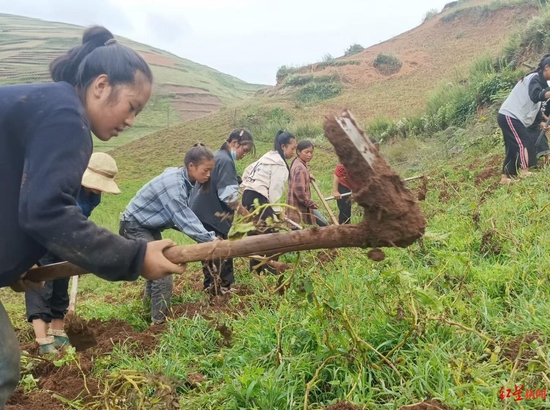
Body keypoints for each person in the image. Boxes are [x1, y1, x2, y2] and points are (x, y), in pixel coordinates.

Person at [0, 26, 184, 407]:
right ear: (101, 85)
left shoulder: (49, 106)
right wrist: (135, 256)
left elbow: (17, 195)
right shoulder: (67, 116)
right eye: (132, 106)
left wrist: (11, 263)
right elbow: (45, 211)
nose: (132, 120)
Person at [25, 152, 121, 355]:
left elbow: (81, 221)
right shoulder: (65, 185)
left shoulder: (94, 196)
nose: (97, 188)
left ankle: (58, 332)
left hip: (67, 242)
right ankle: (43, 342)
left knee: (61, 285)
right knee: (42, 287)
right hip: (42, 239)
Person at [120, 144, 218, 324]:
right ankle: (158, 323)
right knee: (162, 271)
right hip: (134, 226)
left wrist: (206, 237)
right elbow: (183, 218)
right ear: (191, 166)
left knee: (154, 270)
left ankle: (147, 314)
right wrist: (210, 239)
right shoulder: (173, 184)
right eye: (206, 170)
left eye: (211, 170)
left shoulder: (184, 180)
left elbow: (179, 218)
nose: (208, 175)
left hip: (147, 228)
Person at [190, 130, 254, 294]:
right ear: (233, 143)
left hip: (201, 211)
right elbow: (228, 196)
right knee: (221, 251)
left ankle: (211, 286)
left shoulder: (218, 155)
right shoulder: (225, 160)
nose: (244, 155)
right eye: (244, 150)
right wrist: (245, 213)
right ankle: (221, 289)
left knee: (210, 252)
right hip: (211, 214)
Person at [241, 130, 297, 272]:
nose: (294, 152)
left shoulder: (267, 156)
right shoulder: (279, 163)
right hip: (259, 197)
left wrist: (248, 185)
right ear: (283, 146)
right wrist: (277, 212)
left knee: (255, 233)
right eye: (293, 148)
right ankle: (269, 268)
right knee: (273, 236)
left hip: (248, 195)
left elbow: (248, 171)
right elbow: (275, 190)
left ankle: (256, 269)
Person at [498, 54, 550, 184]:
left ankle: (505, 177)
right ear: (547, 67)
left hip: (510, 116)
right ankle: (524, 171)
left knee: (513, 146)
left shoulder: (541, 83)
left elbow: (535, 106)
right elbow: (535, 96)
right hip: (510, 115)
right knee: (524, 141)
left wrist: (541, 121)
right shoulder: (534, 78)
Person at [332, 137, 378, 224]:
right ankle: (344, 227)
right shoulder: (353, 159)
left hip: (357, 184)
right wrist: (335, 191)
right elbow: (337, 173)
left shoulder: (373, 160)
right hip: (344, 184)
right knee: (345, 209)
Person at [286, 140, 328, 227]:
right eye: (306, 152)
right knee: (323, 223)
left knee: (323, 223)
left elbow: (298, 178)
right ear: (298, 152)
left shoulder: (297, 162)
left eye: (311, 152)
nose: (309, 155)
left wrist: (307, 175)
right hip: (297, 204)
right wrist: (310, 202)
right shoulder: (300, 168)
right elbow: (299, 190)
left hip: (297, 204)